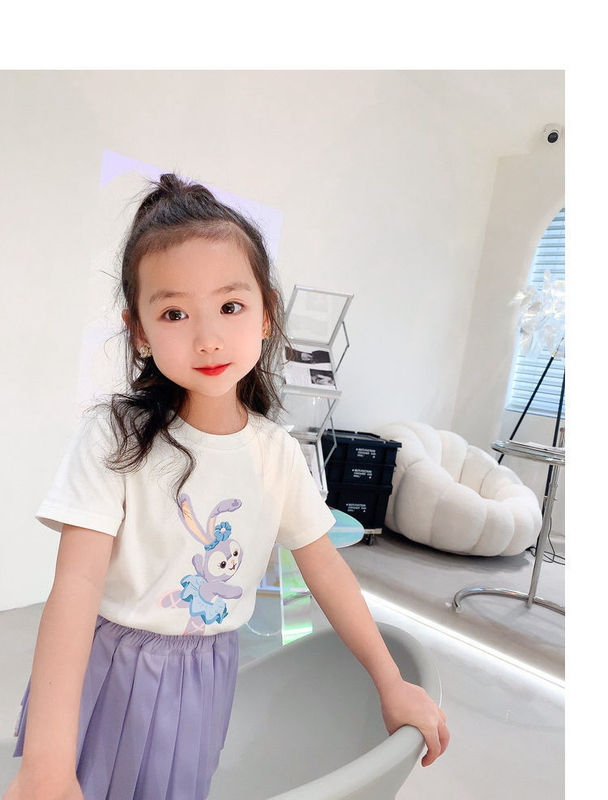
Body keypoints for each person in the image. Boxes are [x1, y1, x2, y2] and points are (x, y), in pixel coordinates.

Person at [5, 173, 449, 800]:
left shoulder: (275, 452)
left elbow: (325, 570)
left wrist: (390, 681)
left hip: (208, 675)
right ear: (139, 330)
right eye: (175, 313)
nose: (207, 337)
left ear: (267, 313)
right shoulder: (115, 436)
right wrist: (48, 760)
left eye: (230, 306)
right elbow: (75, 588)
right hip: (110, 669)